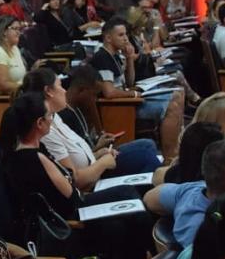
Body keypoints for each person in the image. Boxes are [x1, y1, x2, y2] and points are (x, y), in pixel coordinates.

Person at [0, 92, 153, 259]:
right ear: (39, 123)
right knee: (131, 213)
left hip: (69, 212)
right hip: (68, 223)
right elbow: (71, 195)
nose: (52, 120)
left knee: (130, 198)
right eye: (49, 116)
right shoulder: (32, 158)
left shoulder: (25, 152)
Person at [20, 67, 161, 185]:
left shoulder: (55, 117)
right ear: (48, 92)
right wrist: (103, 163)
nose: (64, 91)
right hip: (92, 181)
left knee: (147, 146)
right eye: (60, 86)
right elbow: (73, 179)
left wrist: (98, 154)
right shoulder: (45, 130)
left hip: (94, 165)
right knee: (147, 158)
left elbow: (77, 156)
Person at [92, 16, 183, 160]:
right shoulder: (102, 57)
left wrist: (129, 58)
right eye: (121, 35)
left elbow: (129, 81)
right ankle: (169, 158)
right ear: (108, 38)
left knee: (178, 94)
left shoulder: (115, 55)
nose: (126, 39)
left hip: (128, 100)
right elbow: (109, 92)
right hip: (121, 106)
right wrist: (133, 94)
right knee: (172, 107)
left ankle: (177, 150)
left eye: (126, 34)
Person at [0, 16, 30, 94]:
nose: (19, 32)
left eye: (19, 29)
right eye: (15, 29)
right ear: (4, 31)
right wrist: (26, 87)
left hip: (20, 93)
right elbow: (3, 86)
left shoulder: (14, 48)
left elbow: (21, 78)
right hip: (5, 99)